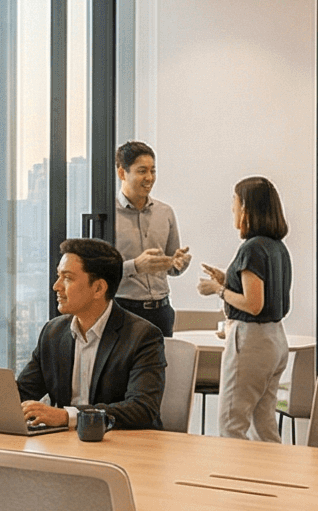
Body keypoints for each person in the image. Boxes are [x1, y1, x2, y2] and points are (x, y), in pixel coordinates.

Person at [16, 237, 169, 431]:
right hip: (64, 444)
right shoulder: (52, 332)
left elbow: (142, 409)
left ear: (98, 288)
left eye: (68, 278)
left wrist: (67, 416)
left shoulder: (143, 336)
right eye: (58, 276)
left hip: (122, 446)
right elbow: (22, 393)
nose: (56, 286)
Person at [197, 176, 291, 441]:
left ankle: (238, 479)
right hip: (275, 340)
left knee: (231, 422)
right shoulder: (276, 248)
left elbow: (253, 304)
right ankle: (272, 478)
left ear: (247, 209)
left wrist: (218, 290)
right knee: (264, 423)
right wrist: (227, 279)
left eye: (235, 204)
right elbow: (263, 294)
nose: (232, 210)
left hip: (251, 341)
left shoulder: (251, 248)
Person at [111, 141, 188, 340]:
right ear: (122, 173)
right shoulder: (108, 216)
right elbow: (97, 270)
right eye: (142, 171)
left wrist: (178, 263)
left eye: (153, 171)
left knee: (160, 371)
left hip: (161, 312)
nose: (149, 178)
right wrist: (135, 266)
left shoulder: (165, 212)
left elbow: (172, 266)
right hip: (122, 310)